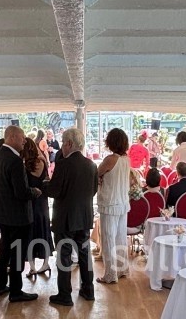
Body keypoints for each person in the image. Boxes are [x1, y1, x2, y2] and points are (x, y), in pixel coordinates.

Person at [44, 127, 98, 306]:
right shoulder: (91, 165)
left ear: (68, 143)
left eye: (63, 143)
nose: (61, 147)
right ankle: (88, 290)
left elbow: (54, 191)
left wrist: (44, 185)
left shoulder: (63, 165)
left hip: (65, 218)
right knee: (84, 254)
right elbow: (93, 190)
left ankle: (65, 294)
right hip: (84, 217)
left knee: (64, 256)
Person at [0, 124, 40, 302]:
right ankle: (16, 291)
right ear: (11, 137)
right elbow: (21, 192)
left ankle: (0, 285)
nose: (24, 141)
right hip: (18, 217)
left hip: (2, 213)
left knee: (4, 250)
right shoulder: (15, 160)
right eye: (21, 137)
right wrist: (34, 191)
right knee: (17, 253)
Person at [96, 128, 131, 285]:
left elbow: (96, 173)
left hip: (110, 202)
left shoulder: (110, 159)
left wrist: (100, 178)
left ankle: (110, 274)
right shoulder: (126, 159)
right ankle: (122, 269)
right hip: (122, 202)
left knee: (108, 238)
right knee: (120, 237)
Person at [22, 136, 54, 278]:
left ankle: (32, 267)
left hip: (30, 203)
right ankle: (46, 263)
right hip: (42, 202)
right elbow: (47, 180)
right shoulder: (42, 162)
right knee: (44, 231)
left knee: (30, 234)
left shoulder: (24, 165)